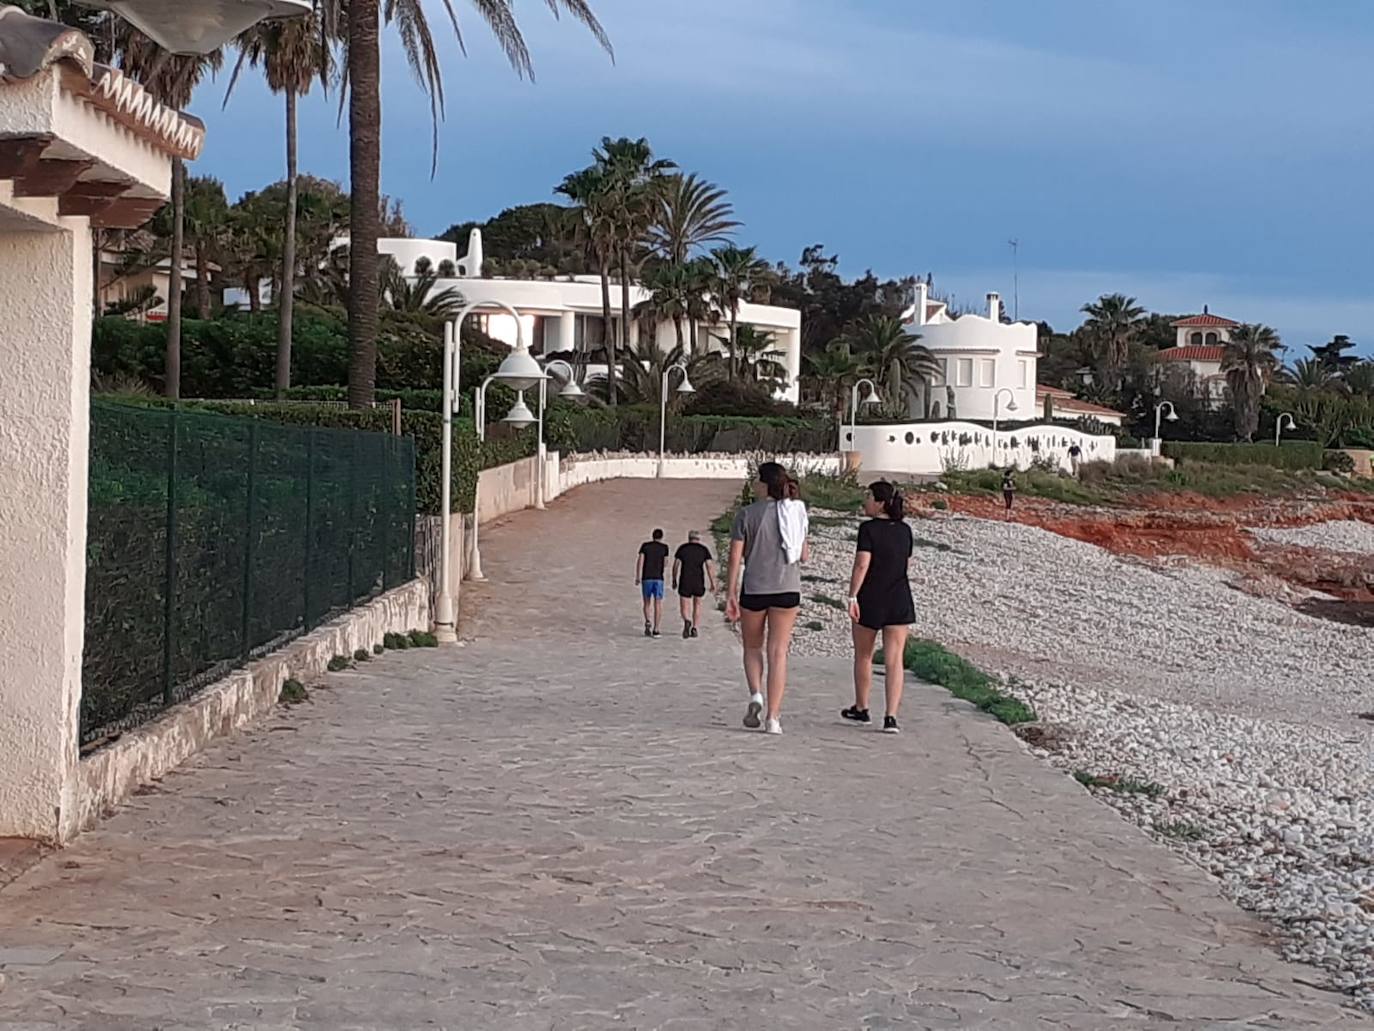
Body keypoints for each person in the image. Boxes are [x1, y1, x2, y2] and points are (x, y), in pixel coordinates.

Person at [725, 461, 808, 735]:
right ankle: (773, 718)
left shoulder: (746, 514)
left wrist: (730, 593)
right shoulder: (796, 512)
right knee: (778, 652)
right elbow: (804, 554)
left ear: (763, 484)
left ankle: (756, 695)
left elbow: (735, 556)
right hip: (787, 587)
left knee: (752, 647)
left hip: (755, 588)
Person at [842, 481, 915, 734]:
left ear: (880, 502)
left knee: (864, 654)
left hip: (871, 597)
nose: (866, 501)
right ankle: (891, 716)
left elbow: (862, 564)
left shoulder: (868, 529)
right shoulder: (905, 530)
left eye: (869, 497)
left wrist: (852, 596)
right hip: (899, 597)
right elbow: (906, 563)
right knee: (895, 659)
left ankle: (862, 707)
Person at [672, 530, 716, 639]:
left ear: (689, 538)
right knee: (697, 604)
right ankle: (695, 628)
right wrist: (712, 582)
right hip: (698, 580)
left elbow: (676, 565)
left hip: (685, 580)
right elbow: (709, 566)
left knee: (684, 605)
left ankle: (687, 620)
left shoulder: (682, 548)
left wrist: (674, 579)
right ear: (698, 539)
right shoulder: (704, 550)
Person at [635, 529, 670, 638]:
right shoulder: (664, 548)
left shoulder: (645, 546)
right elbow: (665, 563)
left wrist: (638, 576)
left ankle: (648, 620)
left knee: (646, 602)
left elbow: (640, 561)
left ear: (652, 536)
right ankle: (656, 629)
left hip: (647, 577)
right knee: (658, 603)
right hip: (658, 578)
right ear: (661, 537)